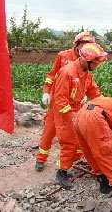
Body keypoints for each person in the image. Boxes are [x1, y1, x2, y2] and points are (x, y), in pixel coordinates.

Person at [38, 43, 107, 189]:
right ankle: (62, 172)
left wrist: (105, 105)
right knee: (69, 141)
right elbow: (60, 100)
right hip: (64, 110)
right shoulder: (67, 72)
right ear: (86, 60)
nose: (97, 66)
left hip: (76, 108)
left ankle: (74, 160)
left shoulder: (86, 72)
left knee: (80, 139)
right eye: (95, 63)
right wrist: (73, 118)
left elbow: (93, 91)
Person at [35, 31, 95, 171]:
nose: (86, 47)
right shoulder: (63, 56)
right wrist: (46, 92)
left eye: (89, 45)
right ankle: (41, 159)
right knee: (50, 130)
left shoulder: (88, 60)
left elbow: (88, 81)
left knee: (78, 131)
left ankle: (77, 158)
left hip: (76, 103)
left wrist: (84, 93)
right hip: (59, 101)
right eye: (84, 44)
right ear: (77, 44)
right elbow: (52, 75)